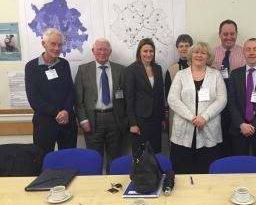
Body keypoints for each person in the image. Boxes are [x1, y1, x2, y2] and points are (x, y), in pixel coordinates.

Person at [168, 41, 227, 174]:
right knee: (182, 172)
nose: (199, 55)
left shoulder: (216, 75)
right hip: (183, 132)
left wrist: (204, 117)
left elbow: (222, 99)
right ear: (191, 55)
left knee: (207, 171)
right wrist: (193, 118)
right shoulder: (181, 75)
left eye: (203, 53)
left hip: (209, 130)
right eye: (196, 52)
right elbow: (172, 99)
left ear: (208, 57)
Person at [75, 38, 128, 171]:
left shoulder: (121, 70)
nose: (102, 52)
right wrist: (83, 120)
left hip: (115, 119)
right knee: (94, 158)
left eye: (106, 50)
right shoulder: (83, 70)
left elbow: (128, 97)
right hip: (92, 120)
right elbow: (78, 99)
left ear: (110, 52)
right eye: (99, 49)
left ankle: (114, 185)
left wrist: (125, 119)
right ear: (93, 51)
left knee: (115, 157)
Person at [25, 28, 77, 154]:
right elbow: (34, 98)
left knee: (68, 159)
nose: (57, 48)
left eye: (60, 44)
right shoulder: (32, 67)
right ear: (44, 44)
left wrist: (65, 111)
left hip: (66, 122)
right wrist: (56, 113)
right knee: (43, 160)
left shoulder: (64, 64)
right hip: (45, 124)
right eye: (53, 44)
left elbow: (71, 91)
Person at [211, 20, 246, 157]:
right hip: (217, 105)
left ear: (236, 34)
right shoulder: (211, 54)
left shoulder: (245, 53)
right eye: (225, 34)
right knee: (220, 141)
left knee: (237, 142)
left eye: (232, 33)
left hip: (238, 105)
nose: (229, 37)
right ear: (220, 35)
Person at [125, 38, 166, 154]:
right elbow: (129, 99)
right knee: (141, 153)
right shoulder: (131, 70)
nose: (148, 54)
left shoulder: (157, 69)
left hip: (156, 118)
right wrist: (133, 123)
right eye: (145, 51)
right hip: (140, 120)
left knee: (155, 151)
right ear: (139, 52)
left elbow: (159, 94)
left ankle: (154, 173)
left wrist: (162, 118)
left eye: (151, 51)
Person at [165, 34, 193, 143]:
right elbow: (168, 96)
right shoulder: (171, 70)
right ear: (177, 49)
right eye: (181, 46)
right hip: (176, 113)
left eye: (187, 46)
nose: (184, 49)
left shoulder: (199, 68)